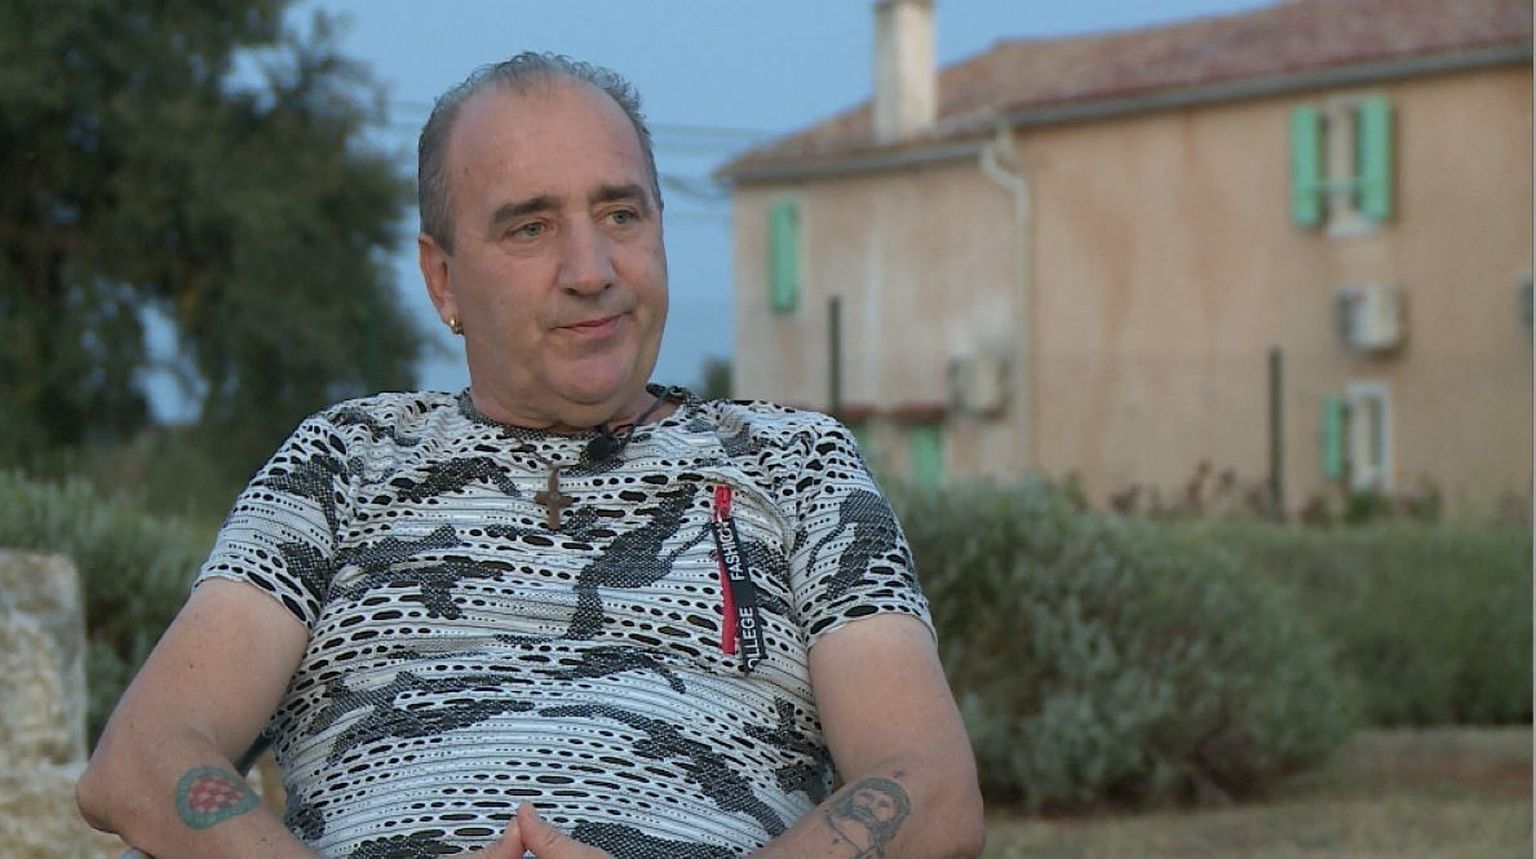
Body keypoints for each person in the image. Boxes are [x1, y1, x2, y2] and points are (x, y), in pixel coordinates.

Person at [76, 52, 985, 859]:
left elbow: (930, 786)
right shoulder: (342, 462)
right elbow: (143, 758)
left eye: (620, 214)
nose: (591, 269)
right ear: (443, 277)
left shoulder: (795, 463)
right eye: (530, 227)